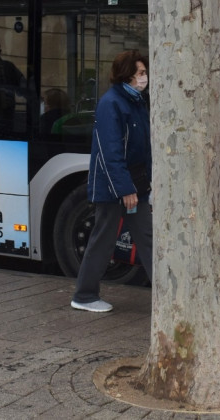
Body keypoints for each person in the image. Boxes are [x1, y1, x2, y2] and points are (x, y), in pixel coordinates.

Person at [71, 49, 153, 313]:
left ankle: (168, 298)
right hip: (115, 188)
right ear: (127, 74)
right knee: (103, 240)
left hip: (135, 185)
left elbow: (143, 148)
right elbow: (110, 151)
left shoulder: (136, 101)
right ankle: (84, 296)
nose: (145, 78)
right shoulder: (112, 103)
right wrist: (125, 189)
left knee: (149, 238)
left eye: (145, 73)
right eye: (141, 73)